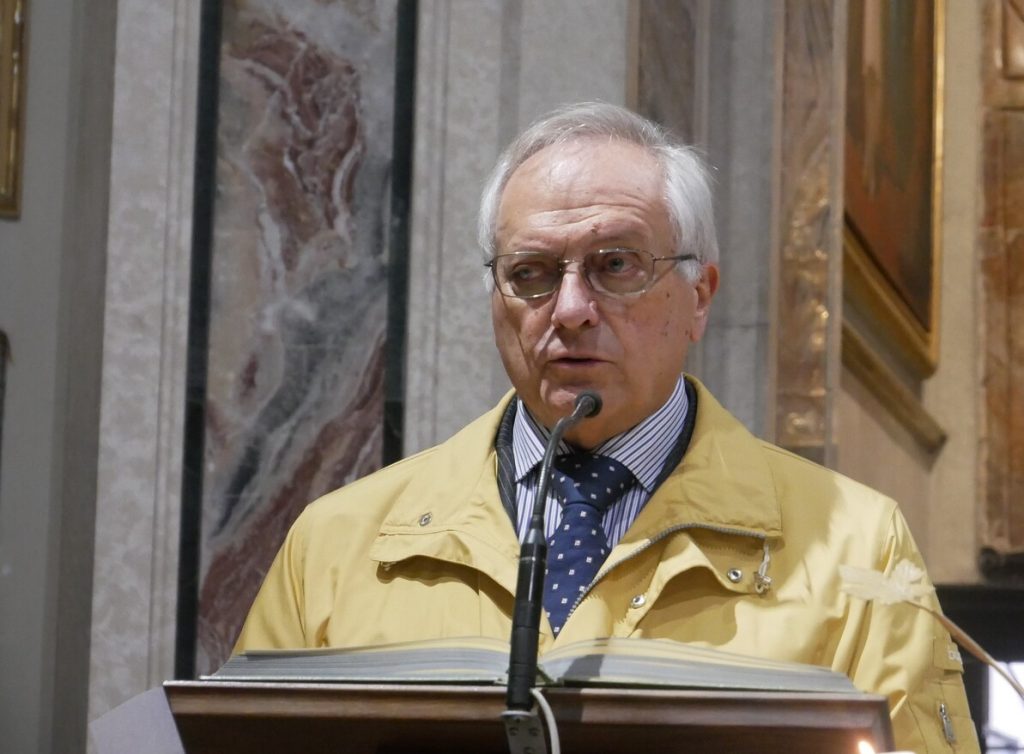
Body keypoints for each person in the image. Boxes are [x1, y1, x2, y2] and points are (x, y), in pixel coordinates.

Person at [236, 102, 978, 752]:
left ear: (699, 297)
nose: (568, 310)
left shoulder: (856, 549)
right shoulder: (338, 543)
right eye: (530, 273)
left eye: (615, 265)